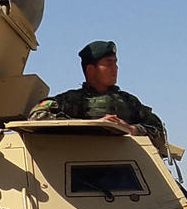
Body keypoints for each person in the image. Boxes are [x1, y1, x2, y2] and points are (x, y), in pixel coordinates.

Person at [27, 40, 166, 150]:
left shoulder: (129, 102)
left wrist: (132, 129)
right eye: (108, 63)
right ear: (91, 70)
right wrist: (93, 126)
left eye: (115, 63)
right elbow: (36, 117)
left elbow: (159, 131)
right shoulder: (71, 100)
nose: (115, 68)